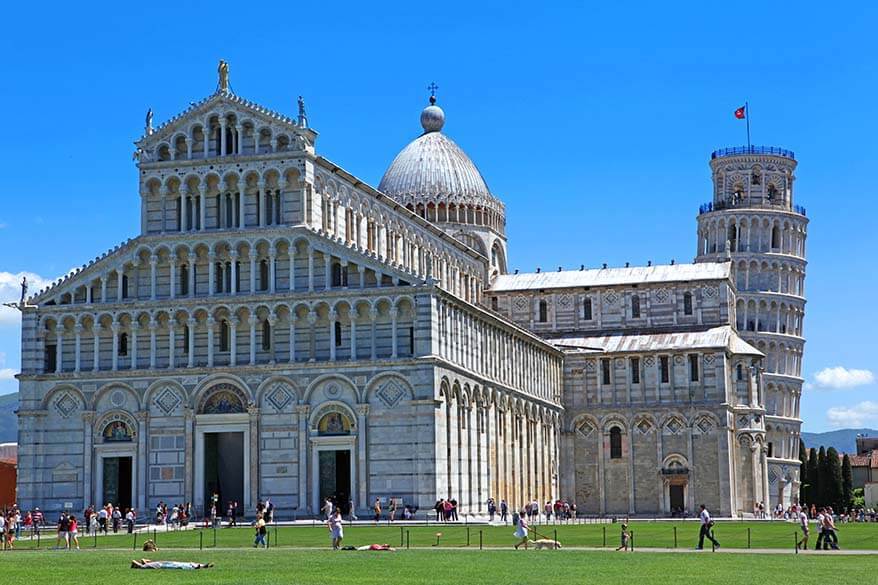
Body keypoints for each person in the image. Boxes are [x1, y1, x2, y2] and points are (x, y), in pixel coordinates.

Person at [131, 559, 213, 570]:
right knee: (142, 567)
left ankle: (145, 562)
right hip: (163, 565)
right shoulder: (188, 566)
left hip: (167, 563)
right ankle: (135, 563)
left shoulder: (189, 564)